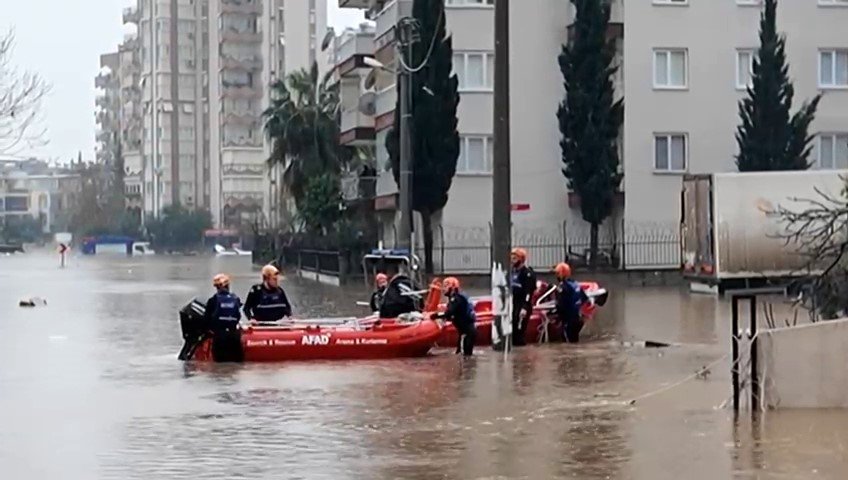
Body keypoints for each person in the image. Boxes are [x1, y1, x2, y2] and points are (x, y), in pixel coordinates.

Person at [431, 277, 476, 356]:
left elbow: (449, 313)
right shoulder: (456, 298)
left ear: (452, 287)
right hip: (465, 332)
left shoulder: (456, 299)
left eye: (446, 286)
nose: (443, 289)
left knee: (463, 357)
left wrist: (436, 315)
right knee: (462, 354)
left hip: (466, 333)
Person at [204, 273, 243, 361]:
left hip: (220, 336)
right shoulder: (236, 299)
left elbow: (206, 319)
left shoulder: (213, 300)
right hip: (234, 336)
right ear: (228, 285)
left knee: (219, 365)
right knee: (237, 363)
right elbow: (238, 315)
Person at [553, 262, 589, 343]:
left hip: (568, 321)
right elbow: (584, 298)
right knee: (574, 341)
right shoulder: (576, 284)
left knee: (567, 344)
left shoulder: (562, 287)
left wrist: (558, 318)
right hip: (578, 319)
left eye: (557, 273)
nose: (556, 275)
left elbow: (560, 305)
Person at [510, 247, 537, 347]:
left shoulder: (527, 274)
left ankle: (521, 356)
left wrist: (524, 307)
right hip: (514, 303)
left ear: (521, 259)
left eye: (514, 258)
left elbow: (528, 292)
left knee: (519, 332)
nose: (512, 261)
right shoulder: (513, 272)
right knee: (513, 329)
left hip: (523, 305)